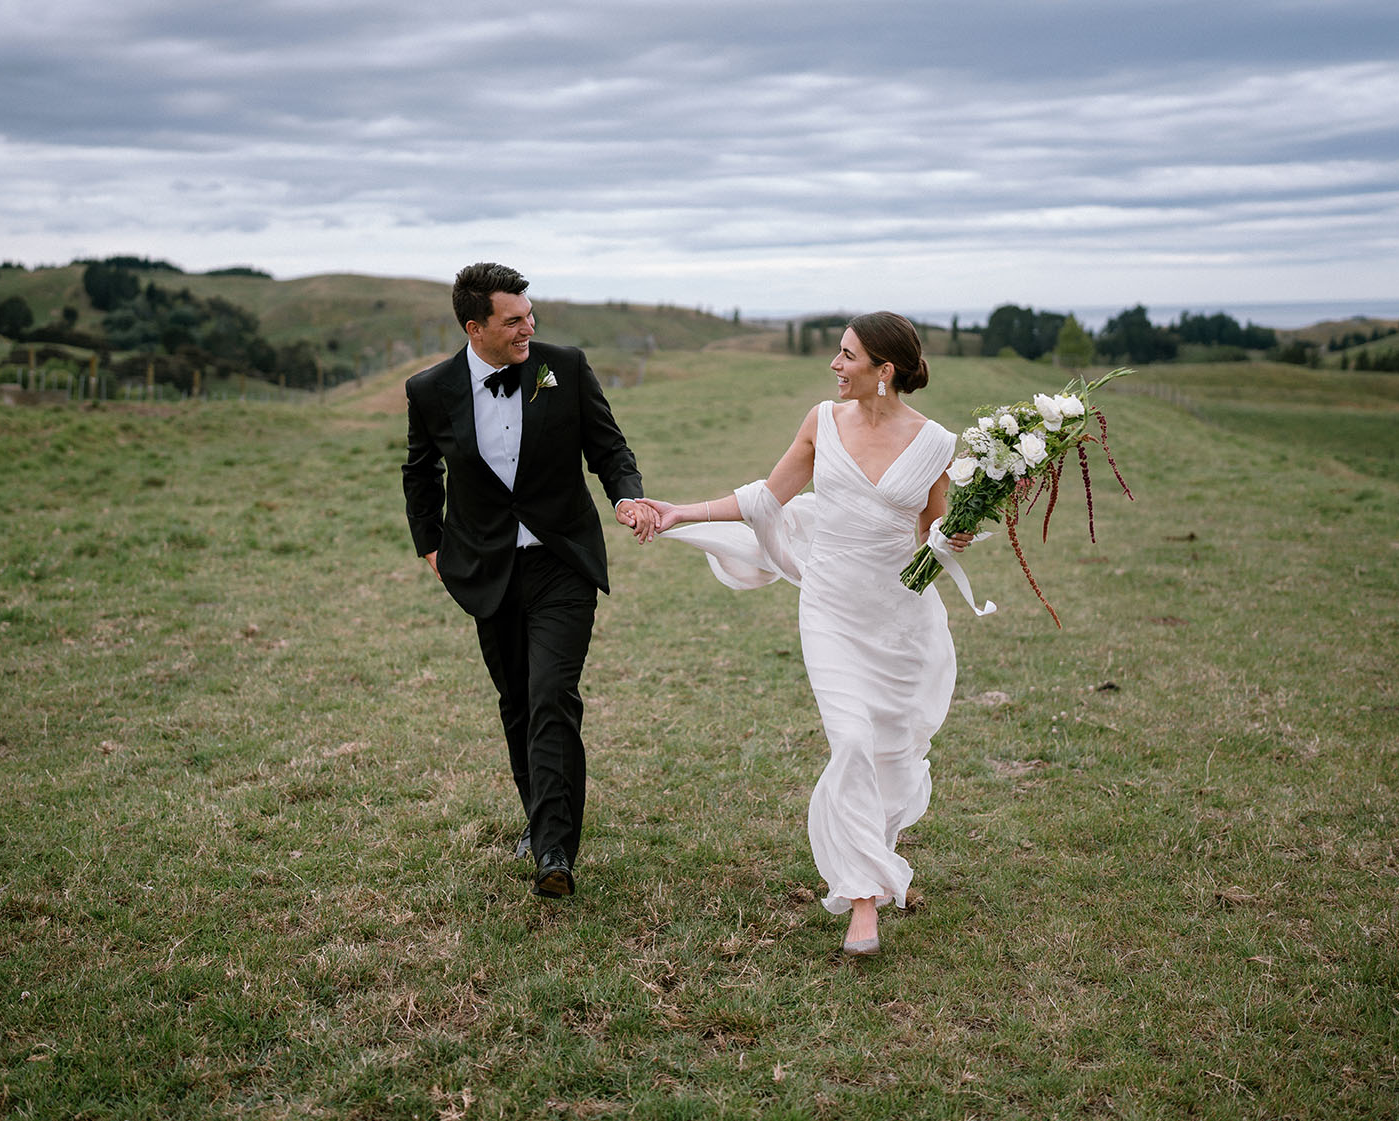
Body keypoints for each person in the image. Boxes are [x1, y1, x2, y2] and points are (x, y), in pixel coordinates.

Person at [639, 312, 973, 955]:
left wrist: (952, 538)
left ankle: (872, 856)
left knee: (888, 753)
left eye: (847, 356)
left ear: (885, 371)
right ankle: (863, 902)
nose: (834, 366)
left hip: (899, 617)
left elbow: (935, 530)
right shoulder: (822, 421)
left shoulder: (936, 443)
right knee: (849, 740)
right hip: (830, 609)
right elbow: (768, 496)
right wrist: (682, 510)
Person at [402, 262, 657, 899]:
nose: (528, 327)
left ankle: (552, 848)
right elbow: (419, 471)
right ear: (474, 326)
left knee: (551, 694)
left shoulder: (563, 366)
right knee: (517, 701)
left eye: (530, 314)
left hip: (560, 560)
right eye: (513, 320)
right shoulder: (430, 390)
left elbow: (609, 448)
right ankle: (541, 822)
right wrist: (430, 547)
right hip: (486, 569)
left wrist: (627, 497)